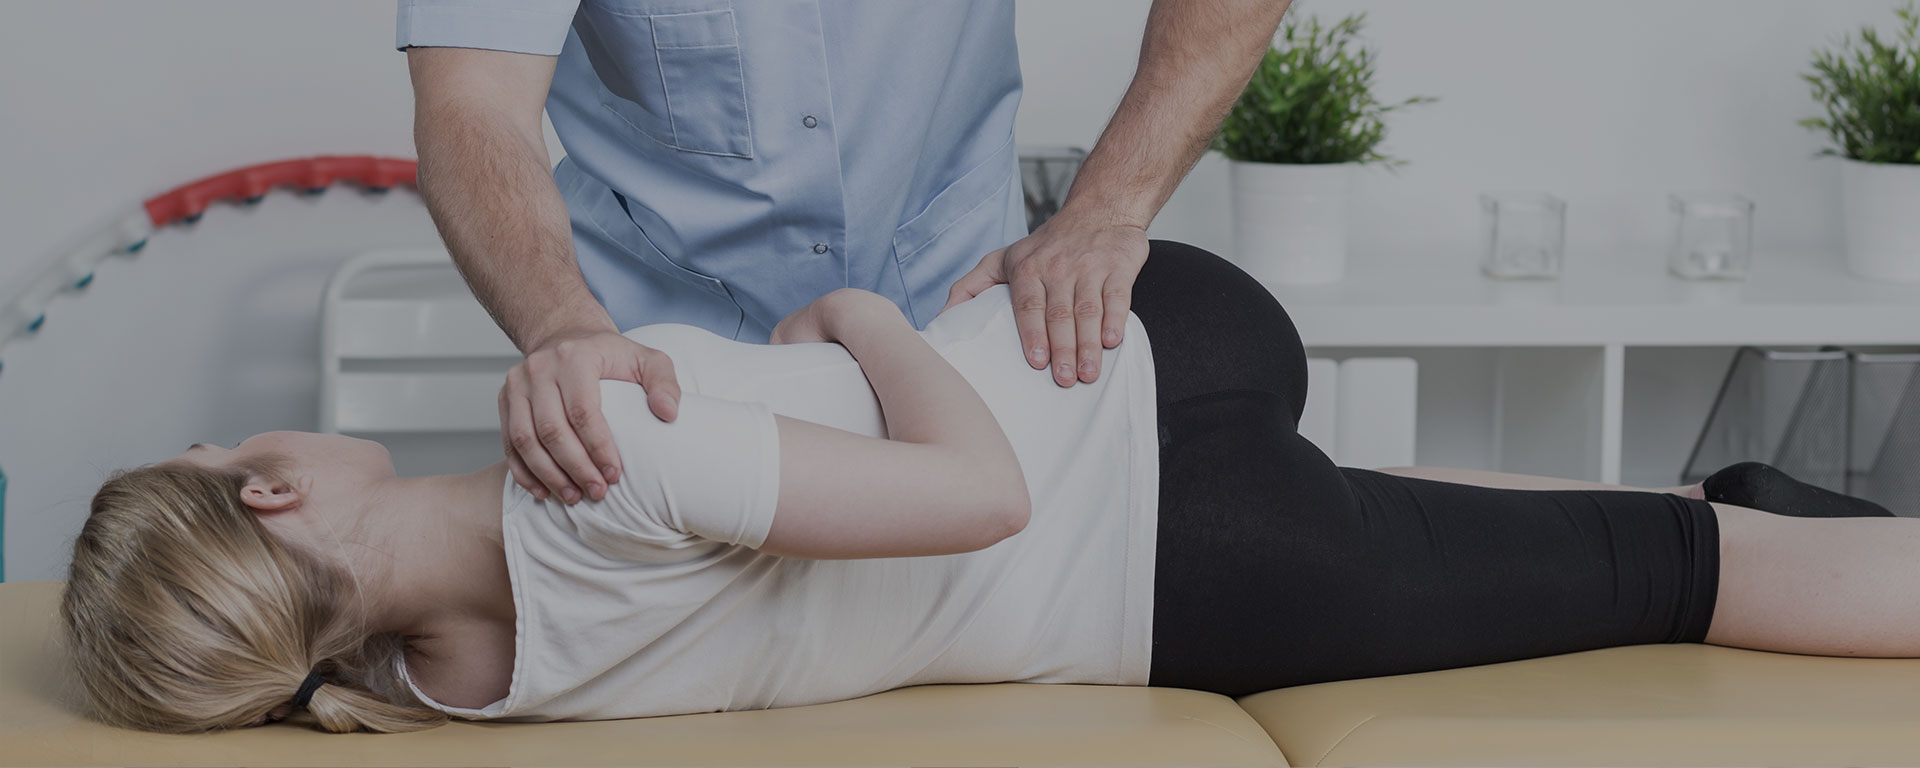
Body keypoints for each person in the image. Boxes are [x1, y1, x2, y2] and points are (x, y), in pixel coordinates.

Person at [61, 242, 1911, 733]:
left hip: (1190, 490)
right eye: (227, 467)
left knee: (1555, 542)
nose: (249, 446)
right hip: (1163, 460)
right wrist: (871, 314)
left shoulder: (422, 683)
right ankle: (1784, 517)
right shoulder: (605, 459)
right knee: (1677, 557)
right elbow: (977, 495)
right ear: (279, 511)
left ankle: (1774, 502)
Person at [399, 0, 1295, 513]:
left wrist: (1107, 206)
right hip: (660, 376)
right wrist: (561, 322)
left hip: (969, 335)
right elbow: (474, 101)